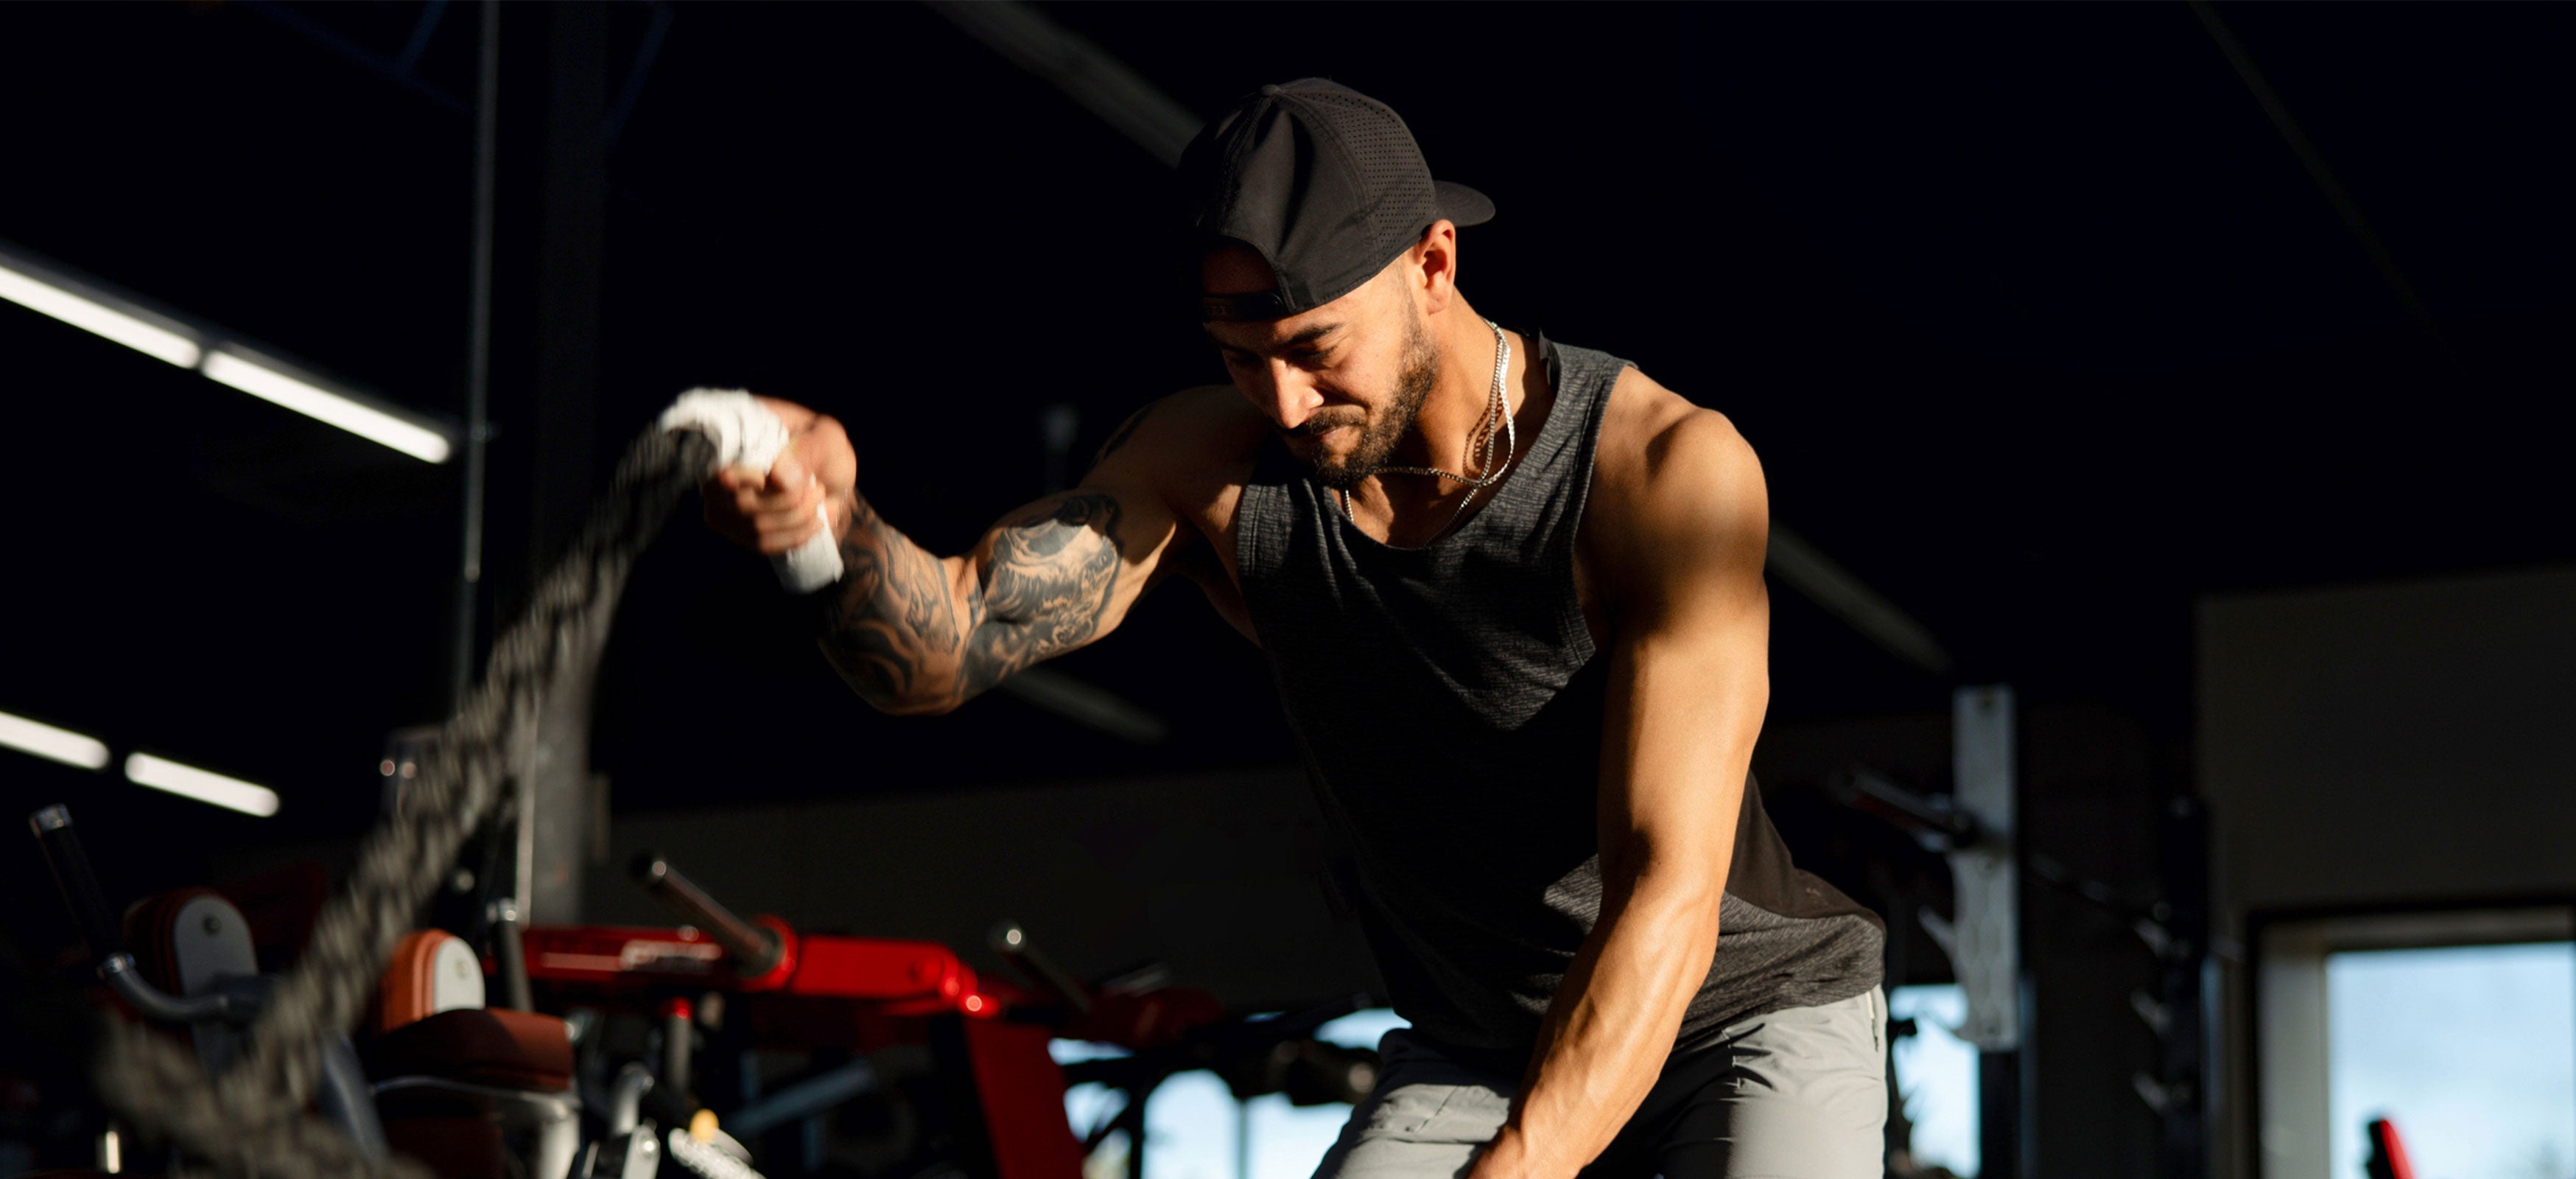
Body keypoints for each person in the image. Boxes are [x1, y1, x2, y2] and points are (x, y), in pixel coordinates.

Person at [701, 78, 1887, 1179]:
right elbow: (946, 648)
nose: (1283, 403)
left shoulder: (1661, 471)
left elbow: (1664, 891)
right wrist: (825, 528)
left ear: (1433, 262)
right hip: (1478, 1041)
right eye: (1239, 360)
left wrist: (1524, 1165)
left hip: (1742, 1012)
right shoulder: (1210, 461)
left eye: (1315, 350)